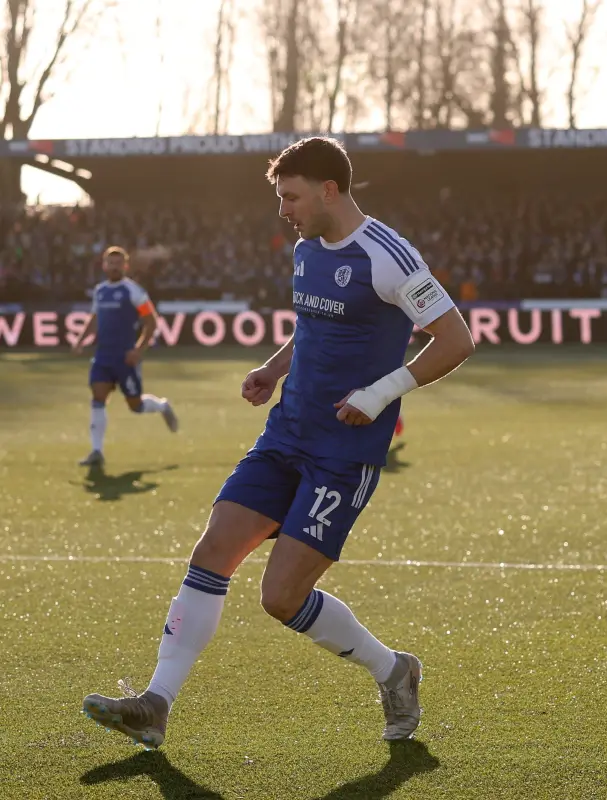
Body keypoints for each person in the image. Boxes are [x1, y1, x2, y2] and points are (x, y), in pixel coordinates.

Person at [82, 136, 475, 748]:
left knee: (281, 596)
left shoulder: (388, 255)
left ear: (328, 189)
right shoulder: (305, 249)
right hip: (285, 433)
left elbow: (456, 339)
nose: (283, 208)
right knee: (212, 552)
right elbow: (314, 326)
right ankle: (155, 704)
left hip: (345, 452)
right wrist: (273, 369)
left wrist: (377, 395)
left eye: (290, 196)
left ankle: (395, 671)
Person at [71, 246, 178, 466]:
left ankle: (162, 406)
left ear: (125, 266)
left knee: (135, 405)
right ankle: (96, 452)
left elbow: (151, 321)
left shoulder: (133, 291)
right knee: (98, 398)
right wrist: (81, 340)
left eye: (119, 263)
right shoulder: (100, 291)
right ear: (104, 266)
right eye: (110, 263)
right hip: (103, 357)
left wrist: (139, 350)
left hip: (125, 358)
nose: (114, 266)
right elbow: (94, 319)